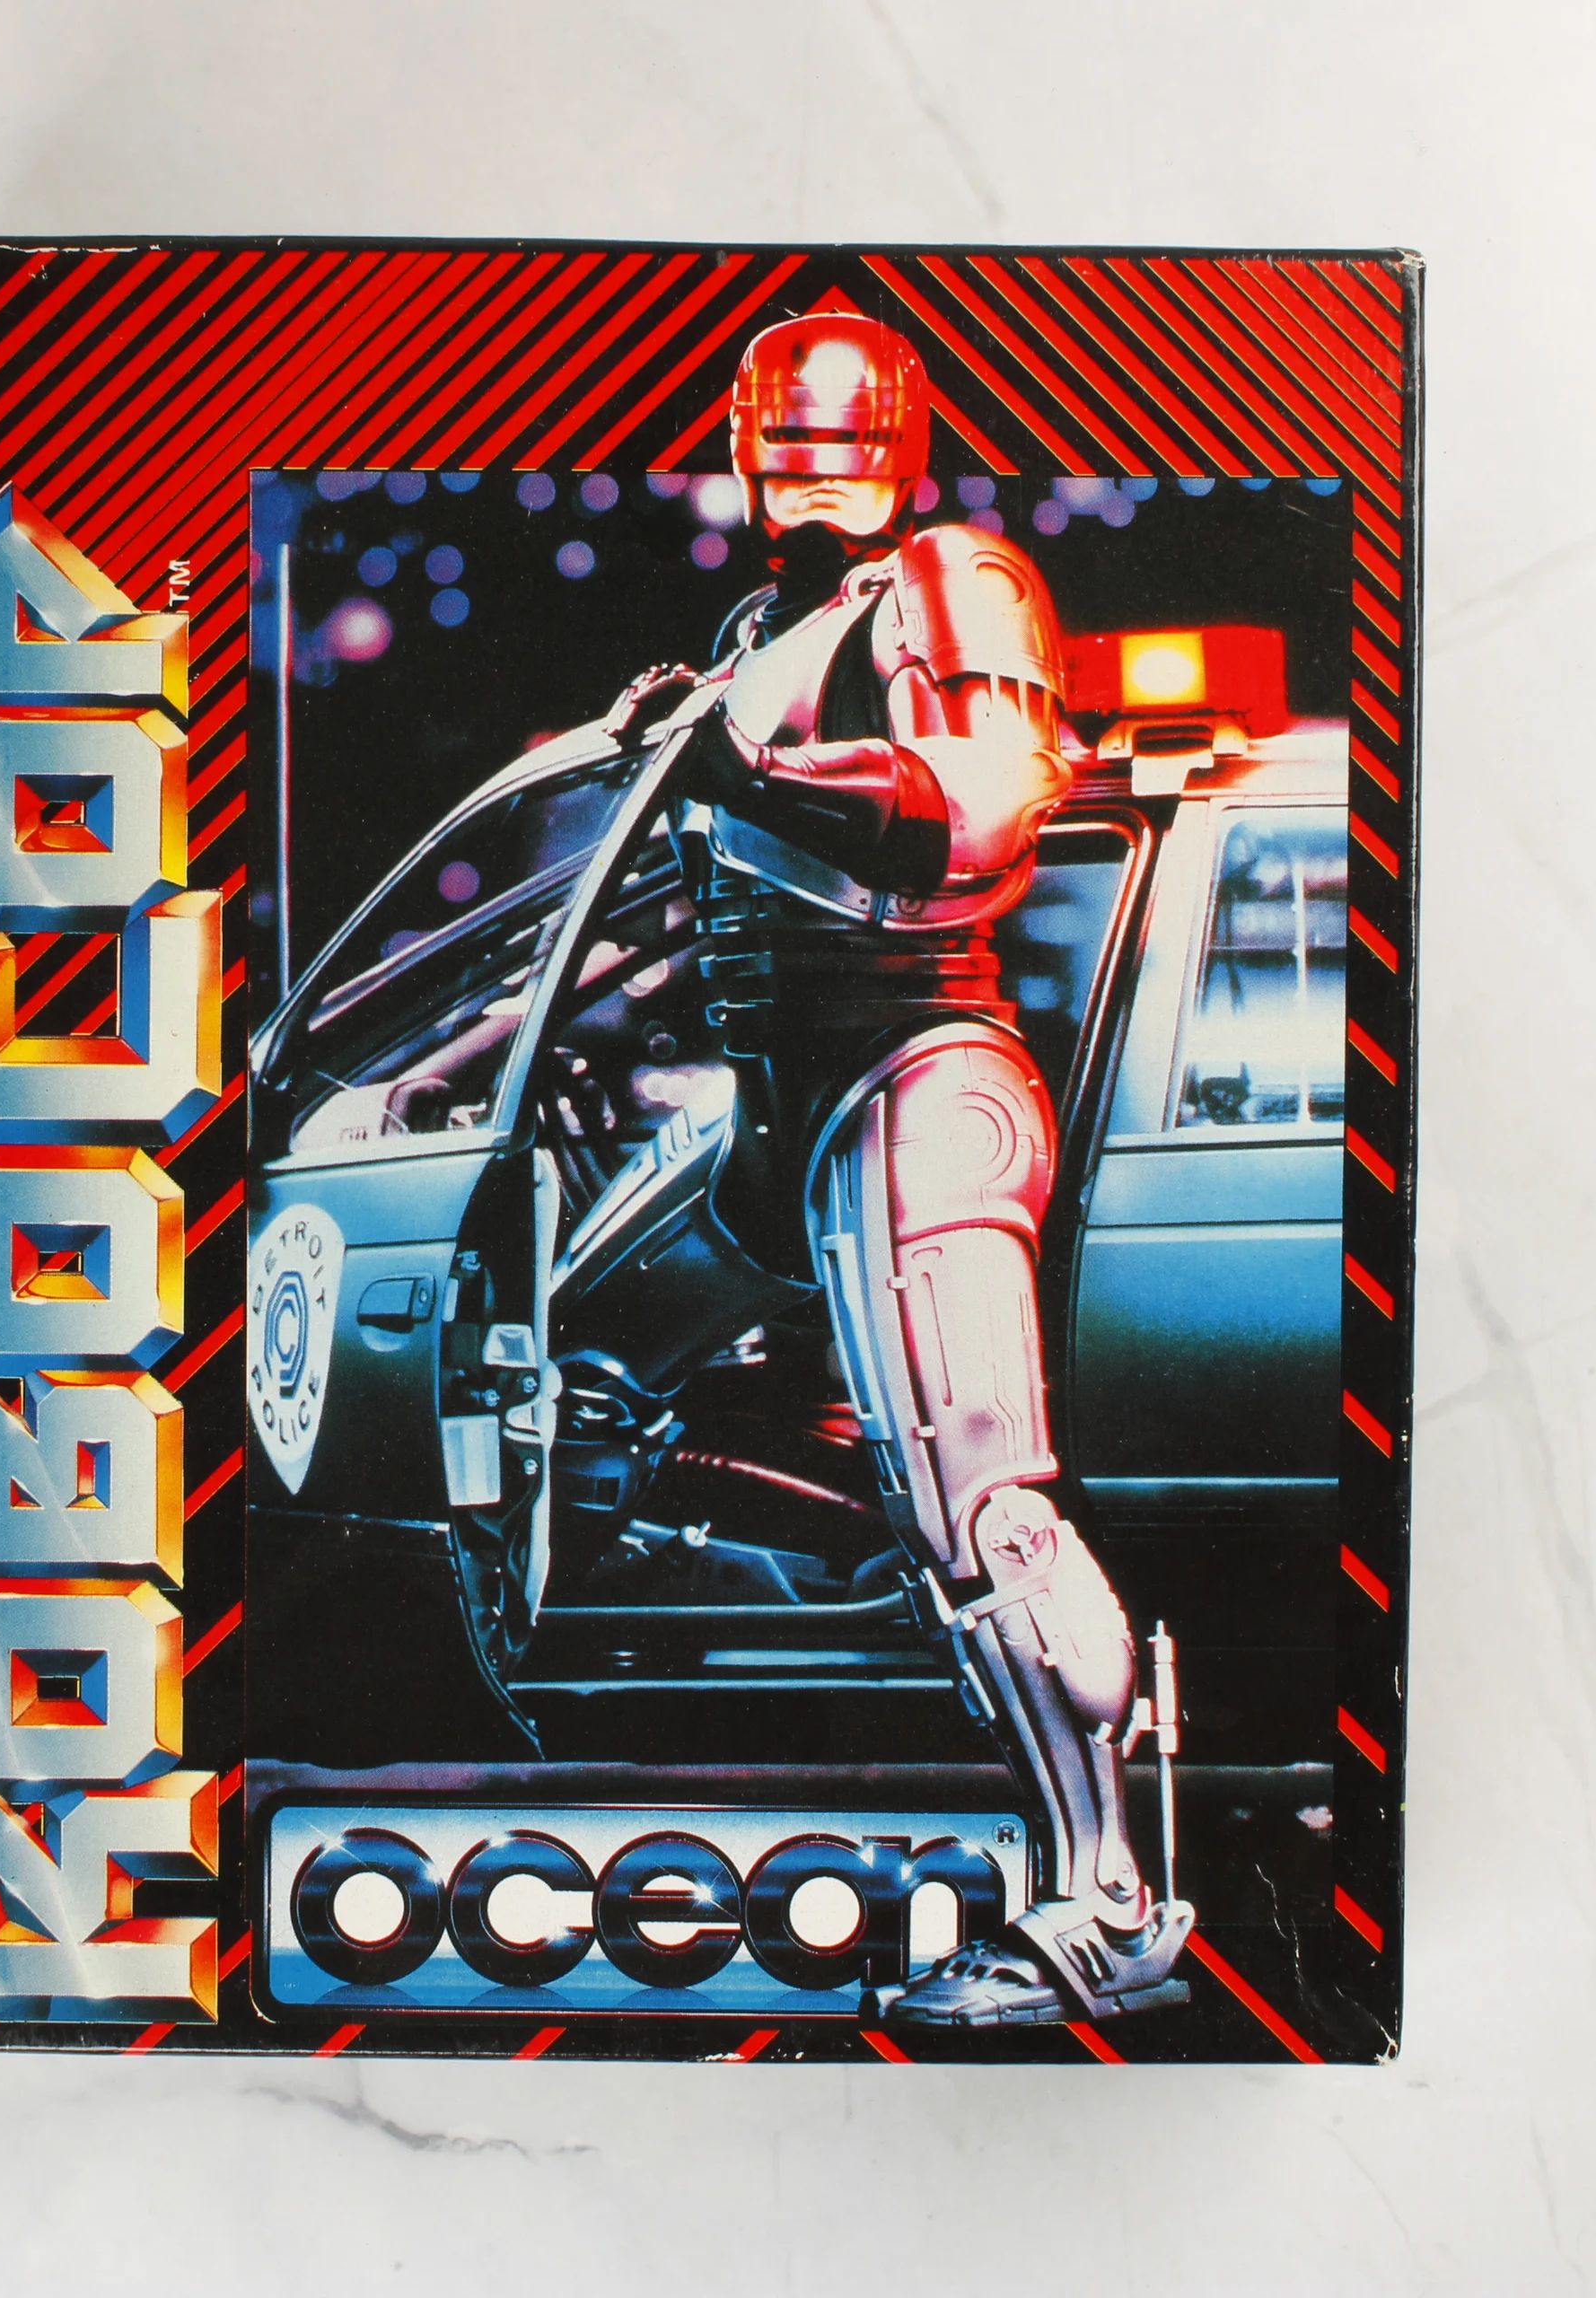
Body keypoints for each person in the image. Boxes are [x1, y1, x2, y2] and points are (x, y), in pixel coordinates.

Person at [671, 312, 1192, 2026]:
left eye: (833, 442)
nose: (810, 473)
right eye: (788, 442)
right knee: (730, 1450)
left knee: (989, 1518)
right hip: (793, 1118)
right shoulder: (766, 635)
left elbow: (985, 803)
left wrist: (747, 767)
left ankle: (1108, 1908)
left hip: (918, 1078)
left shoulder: (949, 584)